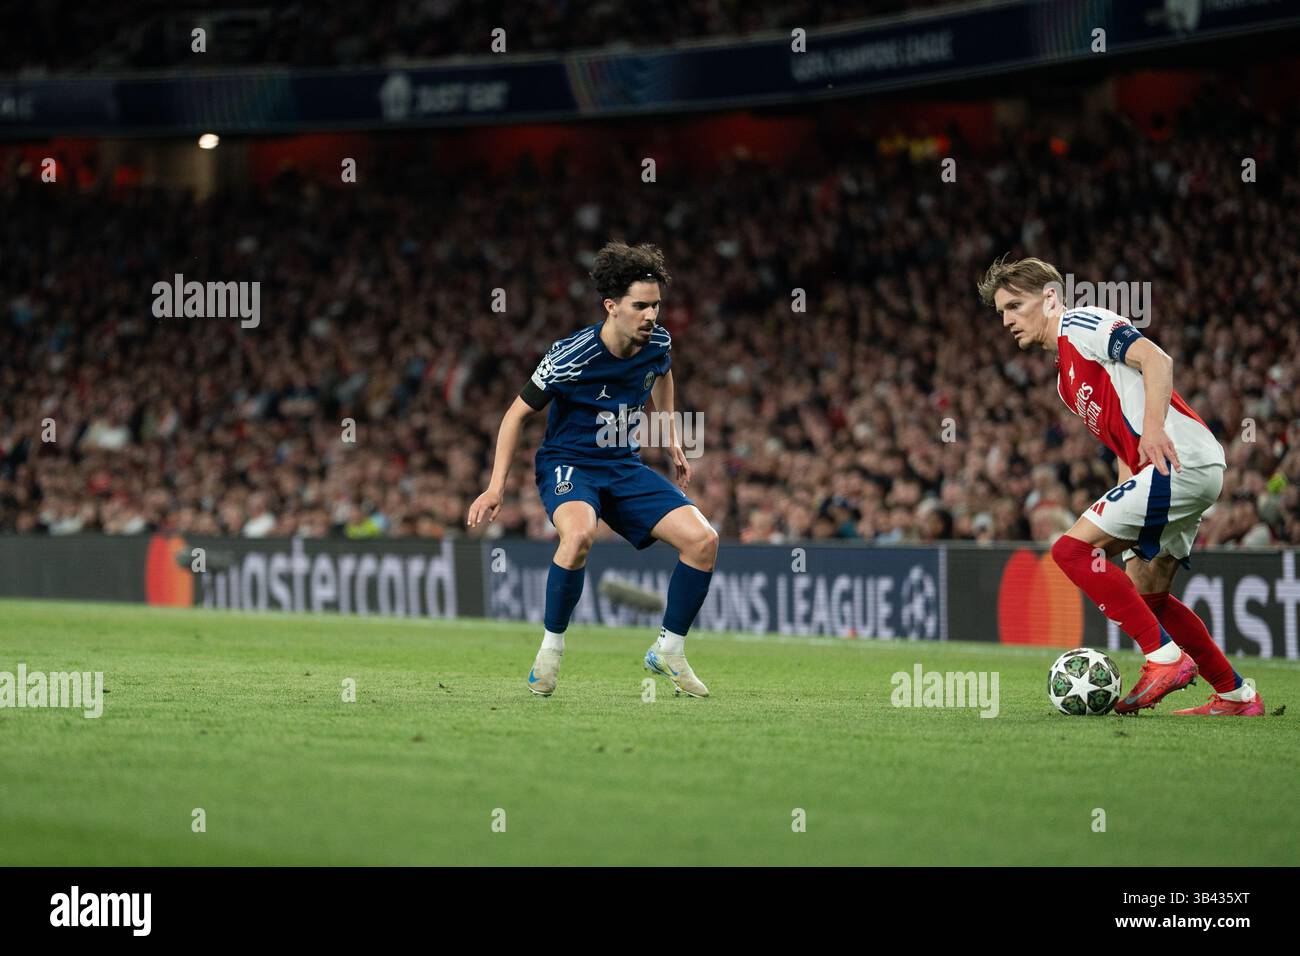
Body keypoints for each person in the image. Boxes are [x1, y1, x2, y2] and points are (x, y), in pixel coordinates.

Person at [978, 255, 1262, 716]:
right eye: (1001, 313)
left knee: (1070, 552)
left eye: (1014, 306)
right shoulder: (1064, 383)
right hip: (1169, 470)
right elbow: (1120, 444)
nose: (1007, 320)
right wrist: (1124, 503)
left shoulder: (1083, 323)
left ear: (1050, 298)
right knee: (1148, 596)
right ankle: (1236, 696)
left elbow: (1156, 358)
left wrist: (1153, 429)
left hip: (1178, 460)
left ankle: (1164, 659)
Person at [467, 241, 717, 698]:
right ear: (611, 306)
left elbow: (663, 374)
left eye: (656, 305)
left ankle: (669, 650)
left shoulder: (658, 341)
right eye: (640, 306)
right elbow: (515, 415)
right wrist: (494, 487)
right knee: (579, 535)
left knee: (703, 541)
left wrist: (672, 438)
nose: (651, 315)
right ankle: (550, 652)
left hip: (622, 465)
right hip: (569, 464)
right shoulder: (571, 356)